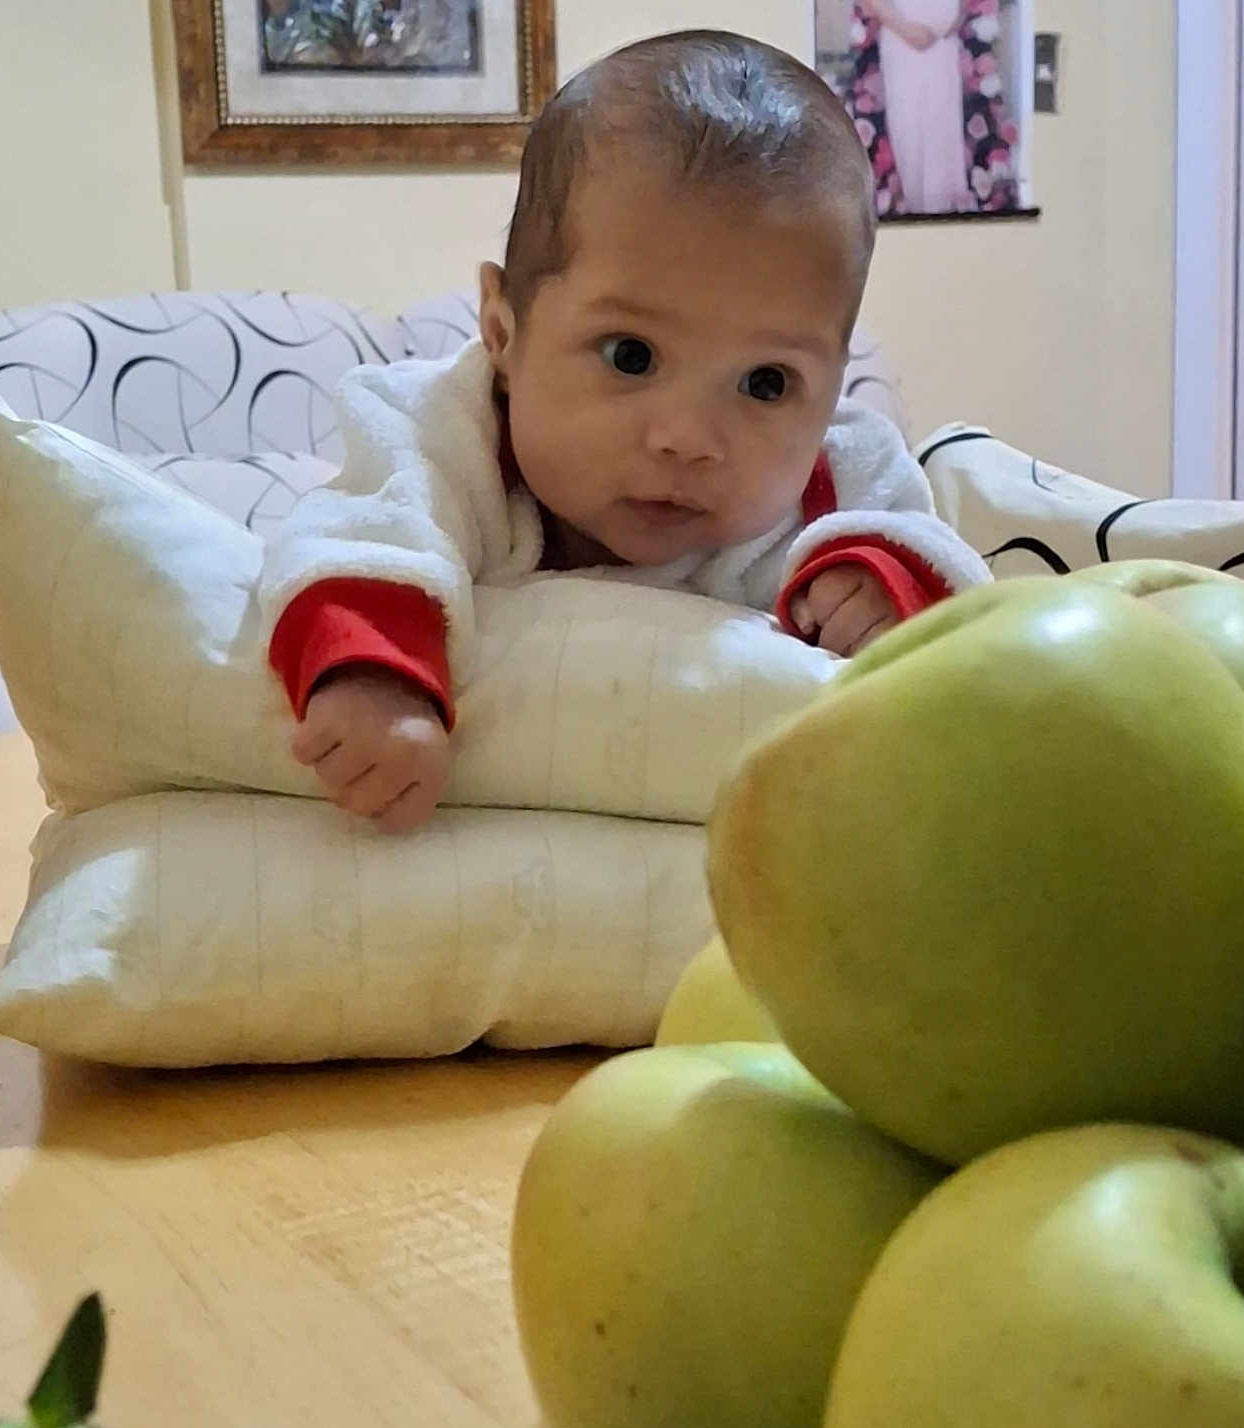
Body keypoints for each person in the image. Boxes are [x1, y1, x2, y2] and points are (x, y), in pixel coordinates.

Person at [259, 29, 991, 833]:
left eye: (766, 383)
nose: (688, 437)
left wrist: (884, 596)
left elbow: (952, 610)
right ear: (503, 334)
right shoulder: (440, 429)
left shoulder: (841, 479)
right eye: (631, 356)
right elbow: (363, 531)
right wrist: (373, 676)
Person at [863, 0, 970, 214]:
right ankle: (921, 213)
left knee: (942, 136)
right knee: (910, 132)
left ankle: (946, 215)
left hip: (943, 49)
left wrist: (954, 17)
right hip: (904, 44)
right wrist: (905, 29)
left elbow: (961, 9)